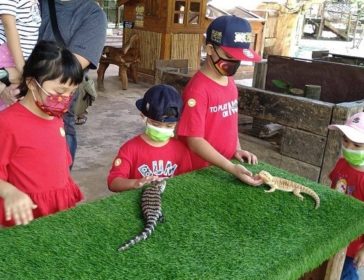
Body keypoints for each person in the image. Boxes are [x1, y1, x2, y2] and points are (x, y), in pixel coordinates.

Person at [0, 0, 107, 165]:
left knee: (52, 182)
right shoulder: (32, 2)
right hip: (11, 118)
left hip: (55, 121)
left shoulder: (91, 14)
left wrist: (20, 74)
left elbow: (65, 74)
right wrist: (3, 82)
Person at [0, 40, 84, 227]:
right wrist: (8, 192)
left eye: (71, 92)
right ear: (31, 83)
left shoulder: (55, 116)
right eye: (60, 91)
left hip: (61, 207)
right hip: (27, 214)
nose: (64, 99)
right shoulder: (7, 124)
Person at [177, 15, 263, 186]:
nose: (234, 62)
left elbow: (230, 122)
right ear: (210, 49)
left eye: (239, 57)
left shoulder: (229, 81)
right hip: (198, 171)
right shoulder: (198, 90)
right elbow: (194, 141)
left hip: (223, 166)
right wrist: (231, 168)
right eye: (230, 55)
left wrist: (236, 148)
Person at [108, 84, 192, 192]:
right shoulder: (129, 149)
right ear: (143, 117)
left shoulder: (181, 150)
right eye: (156, 124)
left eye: (169, 126)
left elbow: (188, 181)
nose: (162, 129)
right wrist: (136, 183)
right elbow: (113, 182)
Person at [328, 112, 364, 280]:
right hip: (331, 232)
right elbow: (332, 188)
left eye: (357, 145)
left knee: (345, 274)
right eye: (345, 140)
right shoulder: (342, 163)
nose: (349, 147)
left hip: (352, 245)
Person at [0, 0, 42, 110]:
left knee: (9, 102)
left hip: (18, 58)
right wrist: (22, 68)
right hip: (6, 54)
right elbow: (8, 25)